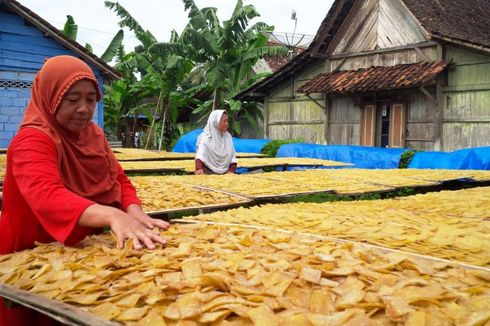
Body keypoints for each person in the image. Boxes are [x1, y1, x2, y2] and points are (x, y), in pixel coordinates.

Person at [0, 55, 169, 325]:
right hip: (27, 252)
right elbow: (47, 195)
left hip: (77, 252)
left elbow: (119, 180)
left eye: (91, 99)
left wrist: (133, 212)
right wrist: (113, 216)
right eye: (72, 99)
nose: (83, 108)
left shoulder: (93, 136)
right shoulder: (33, 139)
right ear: (50, 97)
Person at [195, 110, 237, 174]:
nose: (227, 124)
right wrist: (199, 169)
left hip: (226, 173)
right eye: (224, 121)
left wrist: (231, 171)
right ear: (216, 122)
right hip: (208, 172)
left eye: (227, 121)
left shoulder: (228, 137)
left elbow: (232, 157)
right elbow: (200, 156)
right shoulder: (206, 139)